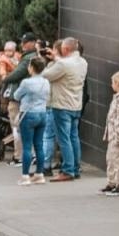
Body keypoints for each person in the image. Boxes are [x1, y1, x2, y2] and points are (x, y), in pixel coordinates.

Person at [41, 37, 89, 182]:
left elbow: (45, 75)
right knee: (74, 137)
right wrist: (57, 58)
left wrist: (52, 61)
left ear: (66, 49)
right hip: (76, 105)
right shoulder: (83, 62)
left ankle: (67, 170)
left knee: (64, 139)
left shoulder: (63, 64)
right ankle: (75, 168)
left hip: (61, 106)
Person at [15, 57, 51, 184]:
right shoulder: (46, 82)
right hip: (42, 113)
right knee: (39, 145)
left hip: (28, 114)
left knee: (27, 146)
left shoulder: (26, 82)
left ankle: (25, 176)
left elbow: (16, 95)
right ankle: (39, 174)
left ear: (31, 68)